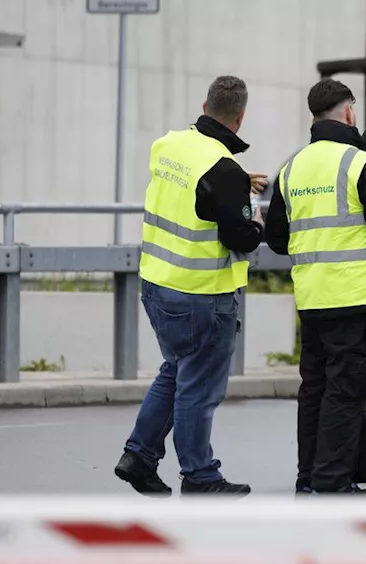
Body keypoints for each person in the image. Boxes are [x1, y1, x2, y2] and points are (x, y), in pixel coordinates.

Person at [264, 78, 366, 495]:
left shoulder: (292, 168)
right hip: (356, 299)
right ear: (349, 112)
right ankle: (333, 484)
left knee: (313, 390)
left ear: (313, 116)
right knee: (344, 395)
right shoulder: (363, 165)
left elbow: (277, 239)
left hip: (313, 299)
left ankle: (308, 480)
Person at [114, 75, 268, 497]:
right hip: (202, 295)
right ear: (240, 118)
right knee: (199, 388)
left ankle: (139, 455)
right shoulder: (225, 170)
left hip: (157, 285)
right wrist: (256, 221)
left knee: (177, 371)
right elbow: (239, 236)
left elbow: (198, 189)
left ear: (205, 105)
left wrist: (237, 184)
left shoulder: (168, 146)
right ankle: (199, 475)